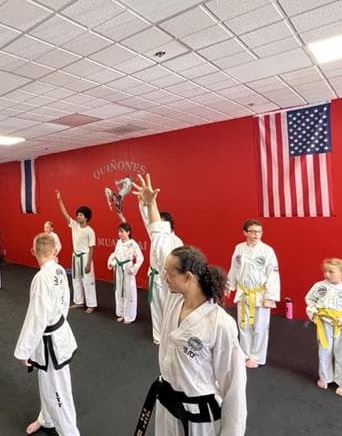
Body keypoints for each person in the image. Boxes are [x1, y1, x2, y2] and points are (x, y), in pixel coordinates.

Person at [132, 174, 246, 436]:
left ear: (188, 277)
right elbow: (160, 244)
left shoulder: (220, 324)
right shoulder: (175, 298)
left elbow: (234, 387)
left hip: (199, 419)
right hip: (166, 405)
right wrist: (150, 206)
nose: (163, 277)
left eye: (169, 273)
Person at [15, 233, 80, 436]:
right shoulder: (60, 270)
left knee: (59, 391)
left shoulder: (41, 278)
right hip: (57, 332)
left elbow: (37, 317)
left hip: (52, 340)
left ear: (33, 252)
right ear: (55, 250)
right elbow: (64, 302)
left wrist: (23, 350)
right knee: (46, 382)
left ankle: (70, 433)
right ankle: (47, 418)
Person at [115, 201, 183, 344]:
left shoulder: (176, 241)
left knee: (168, 308)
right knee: (155, 308)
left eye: (159, 224)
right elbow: (147, 220)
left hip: (168, 279)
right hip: (153, 276)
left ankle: (170, 336)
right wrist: (143, 203)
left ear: (167, 225)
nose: (155, 228)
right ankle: (158, 336)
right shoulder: (156, 237)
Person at [304, 258, 342, 396]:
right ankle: (325, 377)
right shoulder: (319, 286)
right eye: (325, 271)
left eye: (331, 272)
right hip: (324, 323)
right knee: (324, 351)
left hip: (341, 326)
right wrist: (313, 312)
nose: (327, 274)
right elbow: (310, 300)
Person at [225, 219, 280, 368]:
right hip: (243, 292)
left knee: (260, 327)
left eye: (259, 232)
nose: (256, 235)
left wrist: (270, 297)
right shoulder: (239, 248)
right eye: (253, 231)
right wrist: (229, 286)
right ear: (245, 233)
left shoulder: (267, 251)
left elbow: (273, 274)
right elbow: (234, 268)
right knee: (243, 325)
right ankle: (244, 354)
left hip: (259, 294)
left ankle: (257, 357)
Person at [55, 189, 97, 313]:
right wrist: (59, 200)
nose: (78, 216)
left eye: (81, 215)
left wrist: (89, 263)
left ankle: (92, 304)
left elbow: (91, 248)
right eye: (77, 214)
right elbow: (65, 214)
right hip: (75, 256)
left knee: (88, 280)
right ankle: (79, 301)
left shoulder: (90, 231)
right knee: (76, 279)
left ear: (86, 217)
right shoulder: (74, 225)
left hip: (85, 257)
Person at [107, 222, 144, 324]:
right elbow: (116, 255)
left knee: (128, 293)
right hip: (119, 269)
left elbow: (140, 258)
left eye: (122, 232)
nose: (120, 234)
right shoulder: (119, 242)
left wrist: (133, 269)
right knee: (119, 292)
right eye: (119, 231)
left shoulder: (133, 243)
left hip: (127, 269)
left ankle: (129, 316)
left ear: (128, 232)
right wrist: (112, 262)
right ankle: (121, 314)